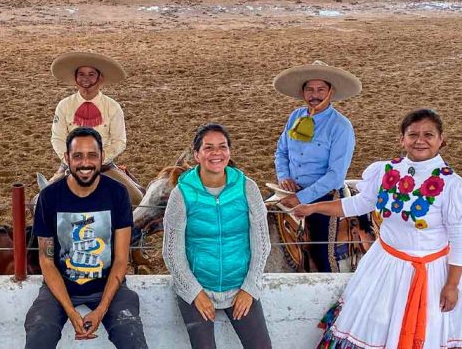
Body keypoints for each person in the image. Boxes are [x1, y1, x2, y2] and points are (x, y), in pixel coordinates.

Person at [293, 109, 462, 349]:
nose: (420, 140)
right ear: (401, 139)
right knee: (375, 324)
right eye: (412, 134)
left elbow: (459, 239)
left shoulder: (452, 185)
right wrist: (314, 208)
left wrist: (452, 285)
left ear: (441, 140)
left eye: (428, 134)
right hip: (384, 266)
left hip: (433, 274)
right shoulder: (386, 172)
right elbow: (359, 203)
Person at [24, 127, 148, 348]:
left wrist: (101, 309)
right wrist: (70, 310)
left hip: (109, 285)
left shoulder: (118, 193)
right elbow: (46, 260)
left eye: (92, 155)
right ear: (66, 158)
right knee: (39, 330)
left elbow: (121, 260)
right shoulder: (49, 197)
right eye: (77, 156)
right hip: (60, 286)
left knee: (130, 333)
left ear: (102, 157)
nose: (85, 163)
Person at [163, 124, 272, 349]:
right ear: (197, 155)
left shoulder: (247, 188)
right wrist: (194, 293)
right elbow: (171, 252)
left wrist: (249, 287)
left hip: (239, 285)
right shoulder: (181, 194)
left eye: (222, 147)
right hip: (197, 287)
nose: (216, 153)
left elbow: (262, 242)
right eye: (208, 147)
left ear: (229, 152)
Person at [273, 60, 361, 272]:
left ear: (330, 91)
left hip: (325, 195)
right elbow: (281, 151)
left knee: (322, 253)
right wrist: (284, 176)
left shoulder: (341, 126)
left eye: (321, 89)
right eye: (310, 89)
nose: (315, 94)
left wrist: (301, 198)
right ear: (303, 92)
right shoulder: (295, 116)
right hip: (289, 188)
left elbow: (336, 176)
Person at [50, 51, 144, 204]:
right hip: (71, 163)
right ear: (75, 78)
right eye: (81, 74)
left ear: (100, 78)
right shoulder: (64, 106)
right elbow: (57, 138)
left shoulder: (113, 107)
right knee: (42, 199)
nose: (85, 79)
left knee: (136, 200)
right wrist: (70, 161)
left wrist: (99, 160)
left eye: (91, 74)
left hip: (104, 165)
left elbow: (119, 141)